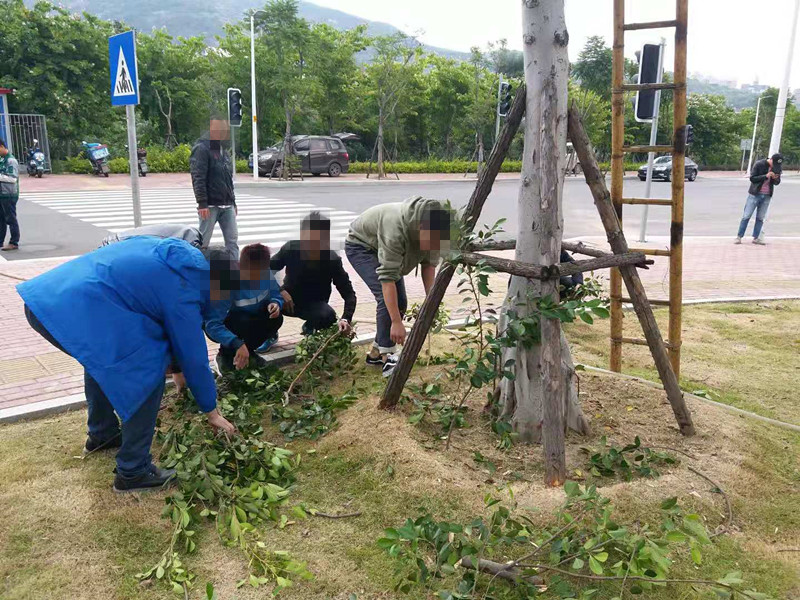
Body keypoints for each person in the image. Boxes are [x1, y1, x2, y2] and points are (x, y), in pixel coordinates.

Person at [17, 236, 237, 493]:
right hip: (68, 310)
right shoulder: (185, 286)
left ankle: (103, 435)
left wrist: (177, 370)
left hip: (49, 300)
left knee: (104, 359)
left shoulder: (168, 252)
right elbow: (193, 354)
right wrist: (211, 411)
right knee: (145, 375)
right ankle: (133, 471)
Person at [345, 197, 450, 377]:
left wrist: (431, 302)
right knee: (386, 300)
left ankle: (376, 354)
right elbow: (387, 280)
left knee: (400, 301)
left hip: (383, 246)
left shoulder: (434, 228)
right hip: (362, 246)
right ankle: (389, 357)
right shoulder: (395, 230)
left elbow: (429, 266)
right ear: (420, 228)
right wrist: (396, 322)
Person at [268, 211, 356, 343]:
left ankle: (311, 327)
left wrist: (346, 319)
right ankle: (270, 332)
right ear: (302, 235)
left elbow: (349, 294)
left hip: (315, 305)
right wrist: (279, 290)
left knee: (328, 316)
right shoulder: (291, 249)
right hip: (288, 300)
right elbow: (264, 271)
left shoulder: (332, 259)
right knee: (262, 301)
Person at [204, 243, 284, 373]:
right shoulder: (226, 282)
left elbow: (275, 293)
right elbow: (212, 324)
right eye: (252, 274)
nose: (257, 279)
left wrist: (276, 303)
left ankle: (249, 352)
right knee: (243, 321)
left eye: (261, 274)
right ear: (240, 266)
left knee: (276, 319)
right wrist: (237, 343)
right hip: (229, 323)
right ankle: (224, 356)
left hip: (251, 318)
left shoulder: (266, 273)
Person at [190, 117, 238, 259]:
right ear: (212, 128)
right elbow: (198, 176)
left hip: (227, 204)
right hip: (210, 206)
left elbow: (227, 178)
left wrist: (233, 201)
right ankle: (198, 272)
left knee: (232, 241)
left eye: (224, 130)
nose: (222, 133)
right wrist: (202, 203)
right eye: (219, 129)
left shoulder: (222, 149)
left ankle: (235, 272)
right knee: (203, 242)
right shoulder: (201, 148)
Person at [735, 153, 783, 245]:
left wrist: (775, 178)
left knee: (760, 217)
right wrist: (766, 176)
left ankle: (756, 238)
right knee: (746, 215)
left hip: (767, 195)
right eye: (774, 163)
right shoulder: (759, 164)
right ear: (771, 160)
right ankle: (739, 237)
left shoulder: (777, 168)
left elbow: (777, 182)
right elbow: (752, 178)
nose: (775, 166)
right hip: (755, 194)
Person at [0, 137, 20, 251]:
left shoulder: (11, 160)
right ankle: (0, 241)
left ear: (2, 147)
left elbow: (13, 179)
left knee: (11, 218)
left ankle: (14, 242)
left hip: (9, 194)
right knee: (1, 219)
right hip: (2, 194)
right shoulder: (2, 159)